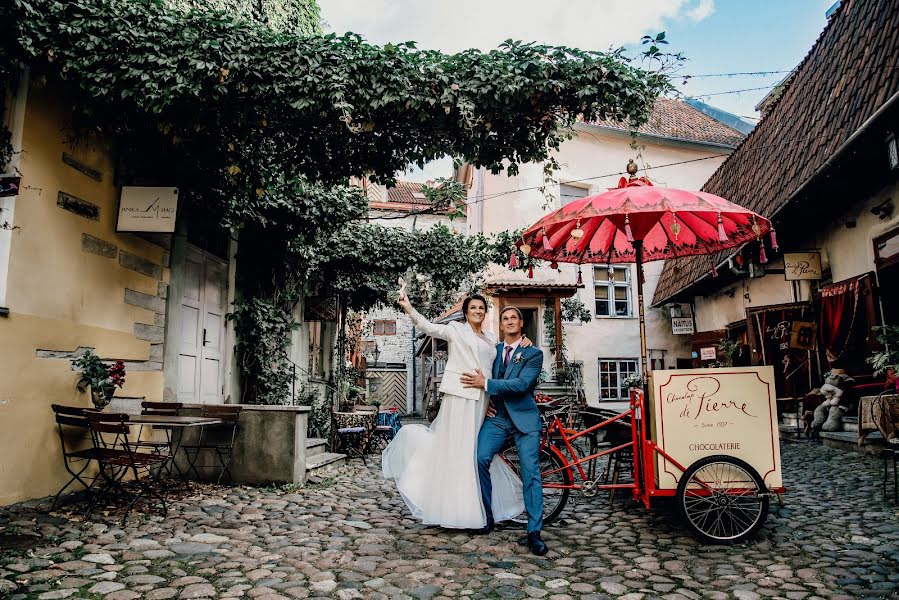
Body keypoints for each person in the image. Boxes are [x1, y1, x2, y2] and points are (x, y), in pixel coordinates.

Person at [382, 287, 525, 529]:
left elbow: (503, 358)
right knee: (458, 450)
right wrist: (407, 307)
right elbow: (428, 327)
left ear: (485, 312)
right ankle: (458, 510)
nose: (477, 311)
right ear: (466, 313)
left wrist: (524, 341)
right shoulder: (456, 330)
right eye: (473, 308)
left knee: (474, 451)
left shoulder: (491, 338)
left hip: (482, 400)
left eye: (481, 308)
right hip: (459, 396)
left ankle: (479, 505)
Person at [461, 306, 548, 556]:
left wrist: (486, 385)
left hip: (524, 420)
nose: (509, 322)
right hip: (497, 417)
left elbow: (522, 384)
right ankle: (486, 517)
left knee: (530, 473)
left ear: (521, 323)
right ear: (500, 325)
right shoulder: (494, 350)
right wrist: (485, 400)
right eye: (505, 319)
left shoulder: (533, 353)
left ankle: (534, 532)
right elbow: (473, 354)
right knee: (479, 459)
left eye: (514, 318)